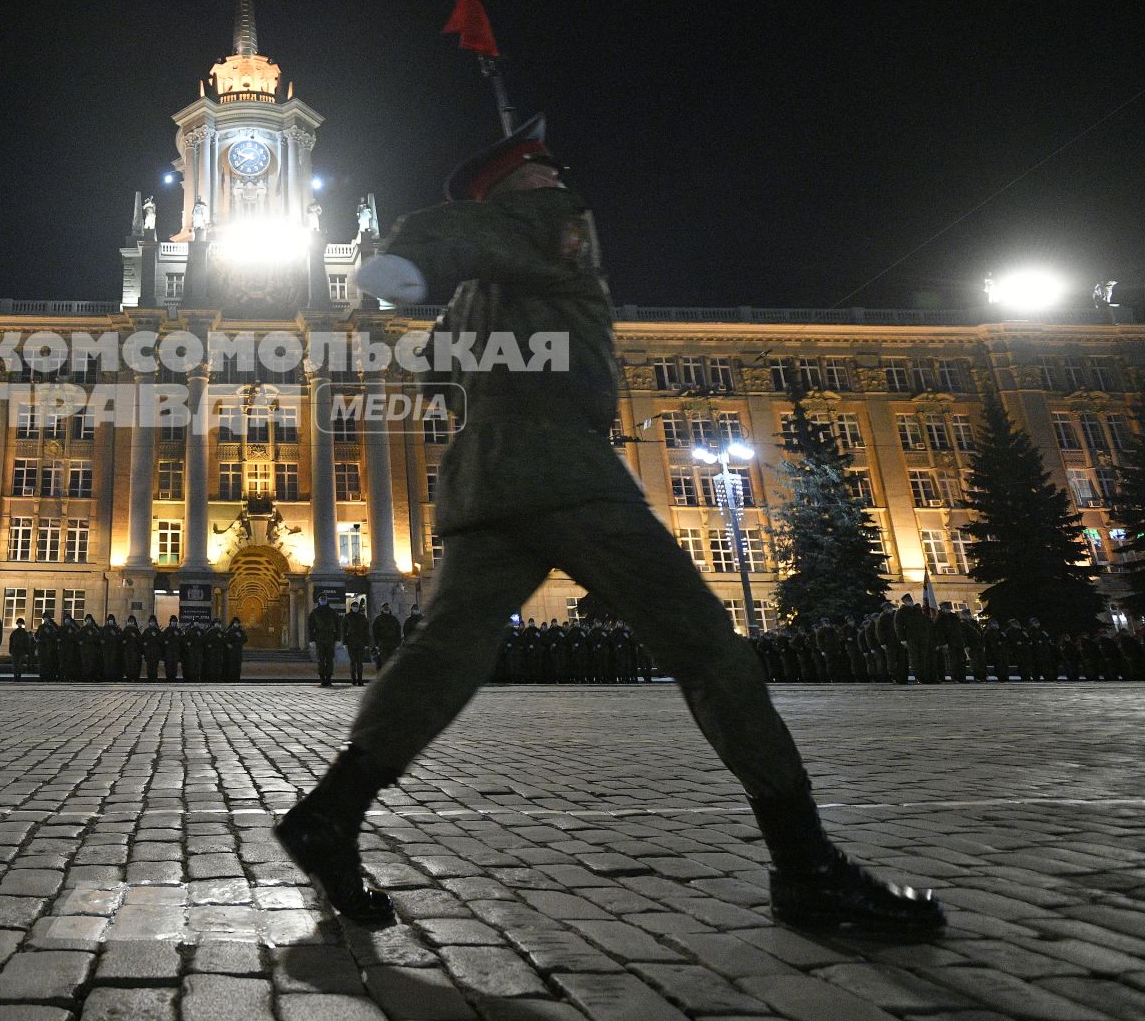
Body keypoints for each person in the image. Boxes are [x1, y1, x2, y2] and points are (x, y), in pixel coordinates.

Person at [273, 120, 942, 937]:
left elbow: (447, 376)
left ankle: (330, 813)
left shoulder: (481, 295)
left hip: (488, 483)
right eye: (549, 174)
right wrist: (409, 264)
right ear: (520, 189)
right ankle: (808, 867)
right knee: (707, 649)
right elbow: (428, 241)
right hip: (564, 474)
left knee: (445, 654)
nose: (566, 186)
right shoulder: (543, 231)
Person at [308, 595, 341, 688]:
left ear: (327, 600)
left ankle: (329, 679)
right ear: (319, 600)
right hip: (319, 638)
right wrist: (312, 640)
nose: (323, 600)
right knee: (321, 659)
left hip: (330, 638)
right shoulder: (314, 612)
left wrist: (338, 639)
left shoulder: (332, 612)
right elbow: (310, 627)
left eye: (324, 599)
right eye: (321, 599)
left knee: (330, 659)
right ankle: (322, 679)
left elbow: (338, 626)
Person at [342, 599, 371, 687]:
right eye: (354, 606)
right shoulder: (347, 616)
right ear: (351, 607)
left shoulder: (362, 617)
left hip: (361, 642)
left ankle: (360, 679)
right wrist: (344, 643)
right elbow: (343, 630)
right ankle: (353, 679)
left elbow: (366, 631)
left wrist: (367, 643)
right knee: (353, 661)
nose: (355, 608)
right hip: (351, 642)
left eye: (356, 606)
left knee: (360, 662)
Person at [371, 603, 402, 674]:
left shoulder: (394, 619)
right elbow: (375, 632)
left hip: (392, 644)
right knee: (384, 661)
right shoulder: (378, 619)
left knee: (391, 661)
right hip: (383, 644)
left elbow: (398, 632)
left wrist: (398, 643)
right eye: (385, 607)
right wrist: (376, 644)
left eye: (387, 607)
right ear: (382, 608)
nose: (386, 608)